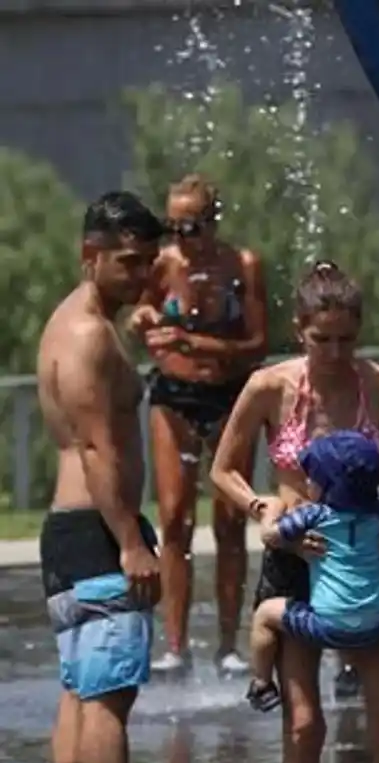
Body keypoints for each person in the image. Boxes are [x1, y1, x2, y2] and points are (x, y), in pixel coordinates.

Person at [210, 261, 379, 763]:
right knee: (304, 725)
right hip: (296, 562)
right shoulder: (268, 386)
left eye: (346, 339)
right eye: (321, 339)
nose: (334, 351)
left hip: (364, 560)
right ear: (298, 329)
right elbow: (222, 470)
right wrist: (263, 509)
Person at [37, 191, 166, 763]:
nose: (142, 274)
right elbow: (95, 449)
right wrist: (130, 544)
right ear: (92, 255)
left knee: (81, 696)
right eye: (130, 262)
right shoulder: (88, 336)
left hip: (68, 539)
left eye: (148, 261)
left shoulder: (76, 322)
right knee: (109, 702)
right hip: (97, 533)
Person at [127, 174, 268, 679]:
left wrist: (196, 346)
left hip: (230, 395)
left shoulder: (241, 266)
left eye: (190, 227)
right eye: (173, 226)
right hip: (175, 397)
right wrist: (145, 317)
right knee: (174, 518)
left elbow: (257, 346)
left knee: (230, 522)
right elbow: (137, 308)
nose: (180, 238)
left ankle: (228, 644)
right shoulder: (165, 265)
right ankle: (176, 645)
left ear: (212, 222)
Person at [246, 430, 379, 711]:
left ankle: (261, 683)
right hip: (377, 623)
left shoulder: (315, 516)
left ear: (329, 487)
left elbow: (271, 536)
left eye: (313, 478)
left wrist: (273, 508)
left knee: (265, 614)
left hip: (324, 626)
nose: (307, 482)